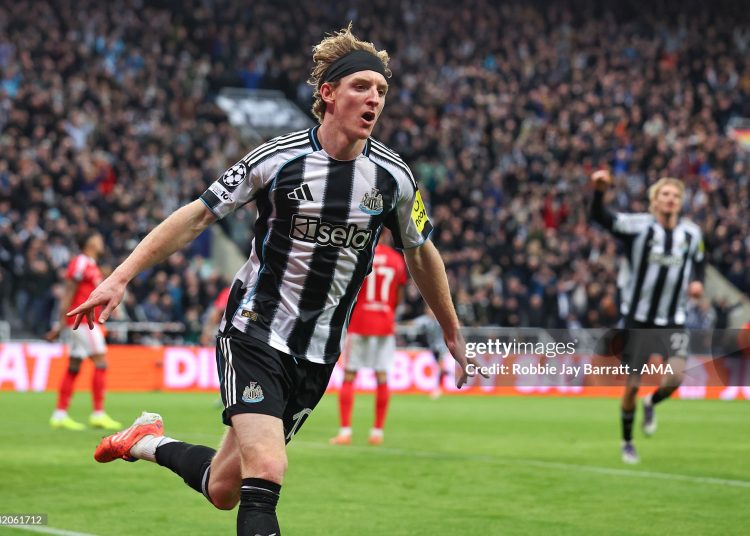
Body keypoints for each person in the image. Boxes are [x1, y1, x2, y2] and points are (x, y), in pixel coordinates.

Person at [68, 25, 483, 536]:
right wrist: (120, 277)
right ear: (327, 94)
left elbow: (422, 253)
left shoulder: (394, 178)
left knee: (224, 488)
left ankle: (144, 441)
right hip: (255, 332)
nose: (374, 97)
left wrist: (452, 330)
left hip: (318, 354)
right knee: (267, 472)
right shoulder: (277, 159)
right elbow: (198, 216)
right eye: (361, 86)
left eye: (380, 89)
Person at [590, 170, 705, 464]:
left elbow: (700, 262)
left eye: (676, 196)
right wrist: (599, 192)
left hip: (673, 318)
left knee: (676, 376)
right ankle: (627, 441)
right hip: (638, 319)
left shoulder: (691, 234)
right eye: (665, 194)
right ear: (654, 201)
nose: (671, 199)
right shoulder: (638, 226)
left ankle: (651, 402)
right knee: (631, 385)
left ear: (681, 202)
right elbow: (601, 217)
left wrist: (697, 282)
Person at [330, 232, 407, 446]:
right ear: (387, 235)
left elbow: (349, 289)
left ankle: (345, 431)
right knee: (382, 377)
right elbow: (399, 296)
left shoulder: (361, 254)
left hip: (360, 322)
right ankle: (377, 433)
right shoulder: (396, 259)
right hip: (384, 322)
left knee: (349, 376)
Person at [45, 231, 122, 431]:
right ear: (88, 242)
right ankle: (98, 413)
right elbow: (69, 290)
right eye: (97, 238)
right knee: (101, 362)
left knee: (74, 366)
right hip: (81, 320)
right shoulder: (81, 261)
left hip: (78, 321)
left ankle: (59, 414)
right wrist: (61, 321)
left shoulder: (91, 265)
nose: (100, 240)